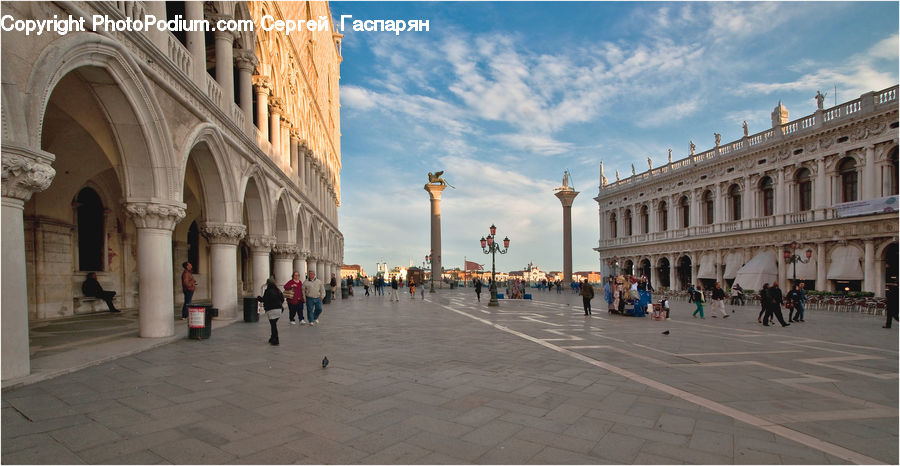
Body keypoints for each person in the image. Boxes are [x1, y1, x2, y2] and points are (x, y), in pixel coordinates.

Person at [257, 278, 284, 345]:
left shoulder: (267, 291)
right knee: (273, 324)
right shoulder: (278, 290)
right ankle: (272, 338)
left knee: (273, 325)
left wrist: (259, 298)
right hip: (279, 309)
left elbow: (264, 300)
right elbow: (282, 299)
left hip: (271, 310)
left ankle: (275, 339)